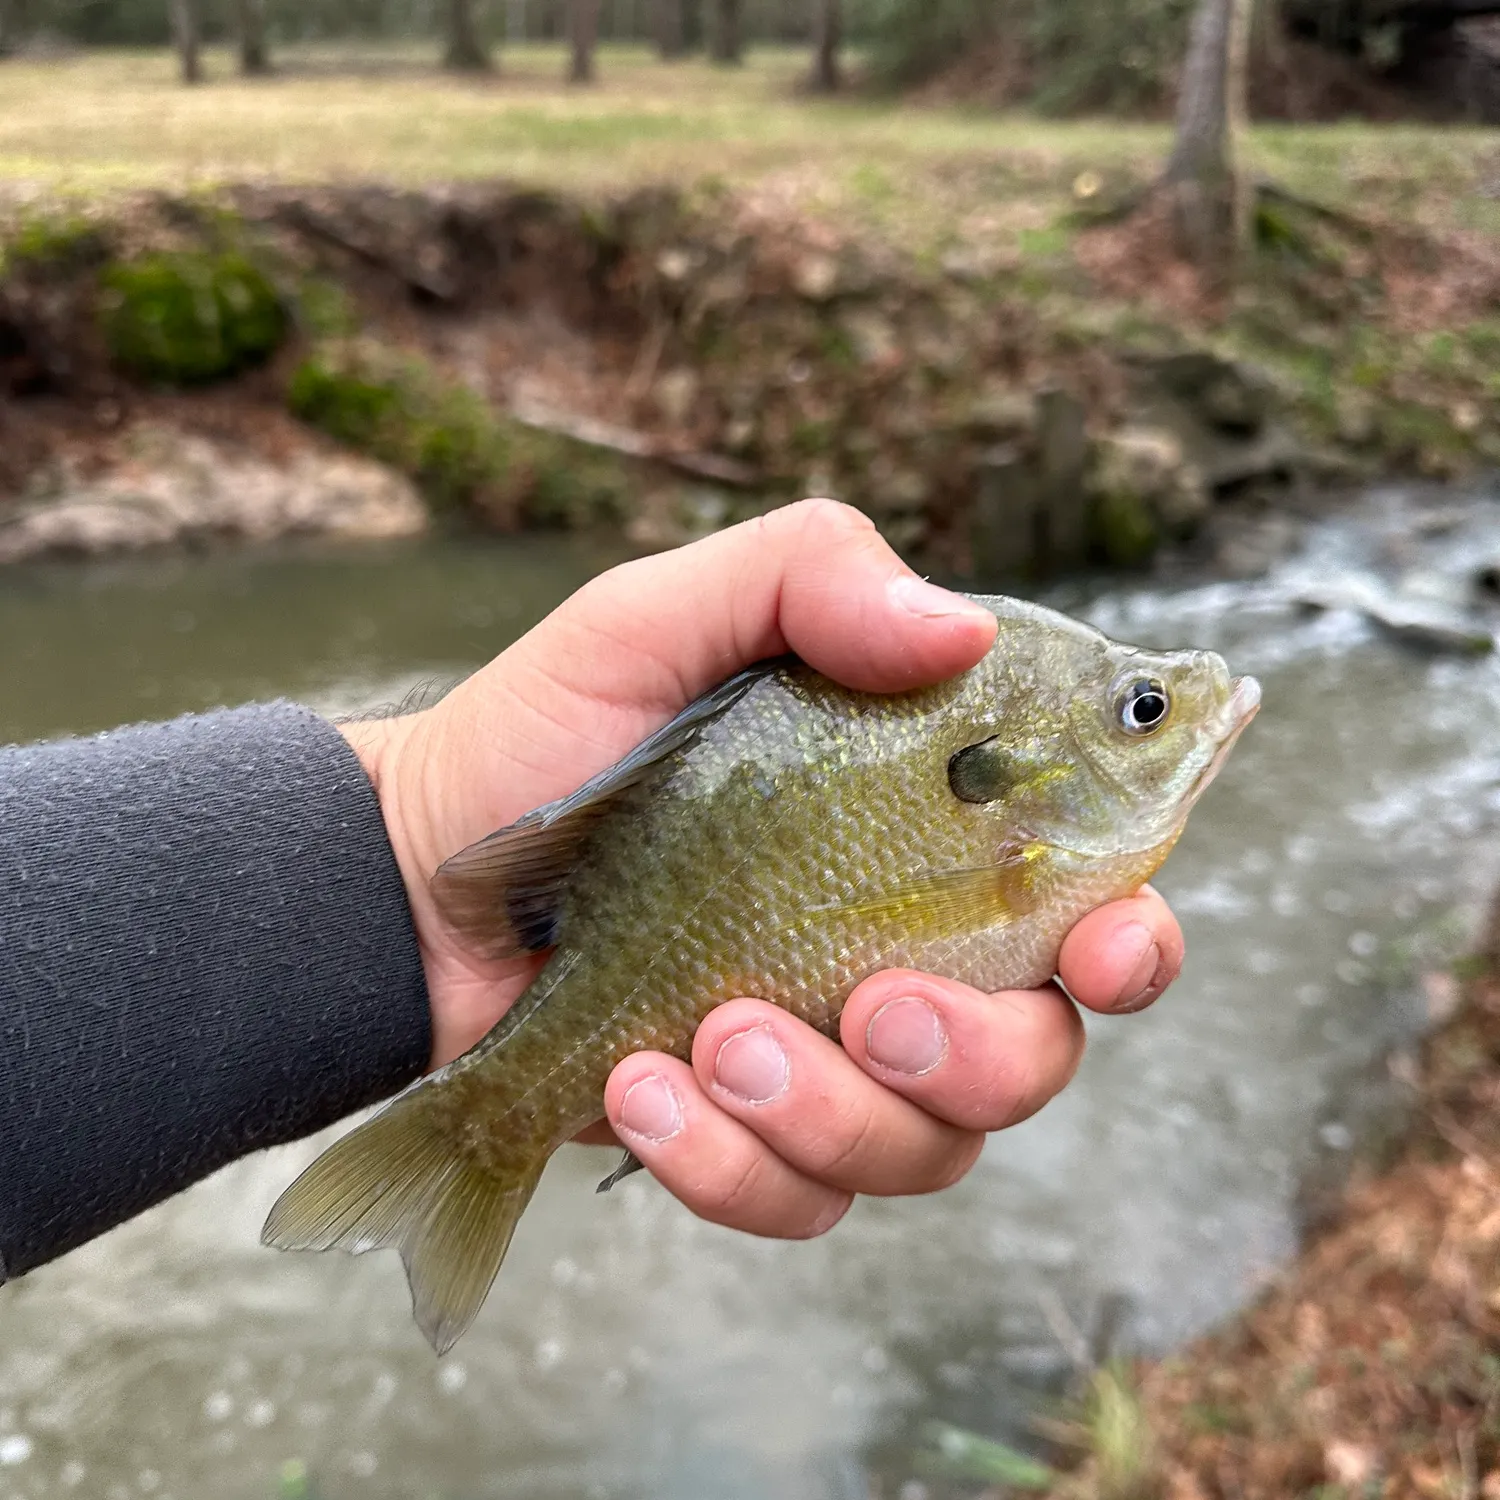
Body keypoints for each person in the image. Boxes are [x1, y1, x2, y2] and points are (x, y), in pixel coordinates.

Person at [0, 500, 1182, 1286]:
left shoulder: (1033, 822)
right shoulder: (1010, 772)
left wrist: (390, 868)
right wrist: (404, 861)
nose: (1179, 706)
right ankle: (487, 1122)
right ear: (1030, 778)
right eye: (1143, 709)